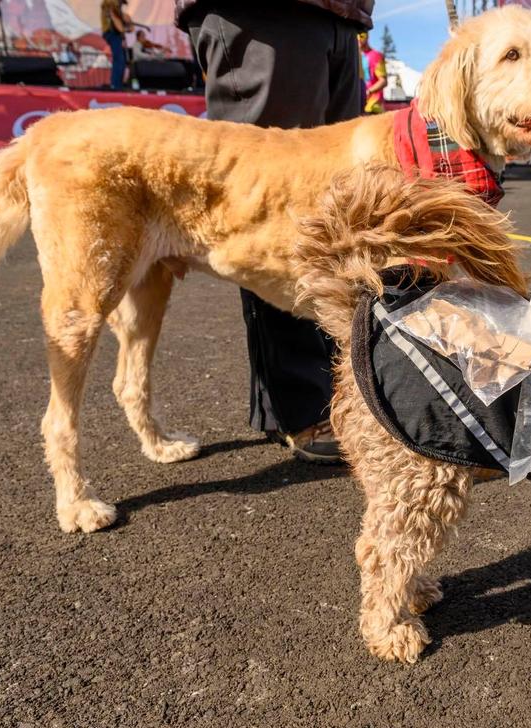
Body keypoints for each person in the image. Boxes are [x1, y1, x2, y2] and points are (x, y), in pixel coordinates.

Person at [176, 0, 374, 462]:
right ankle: (300, 406)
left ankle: (335, 394)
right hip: (262, 15)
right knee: (275, 212)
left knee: (337, 208)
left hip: (341, 17)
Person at [100, 0, 133, 90]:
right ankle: (115, 85)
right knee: (119, 60)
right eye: (120, 2)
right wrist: (123, 20)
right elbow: (120, 27)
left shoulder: (118, 12)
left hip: (117, 35)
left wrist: (127, 23)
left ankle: (118, 85)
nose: (121, 4)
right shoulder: (109, 5)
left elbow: (128, 29)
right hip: (112, 34)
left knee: (121, 61)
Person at [359, 31, 387, 114]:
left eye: (361, 36)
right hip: (359, 106)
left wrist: (368, 91)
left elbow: (383, 81)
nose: (358, 39)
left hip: (373, 107)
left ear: (367, 36)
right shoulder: (356, 56)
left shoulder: (376, 56)